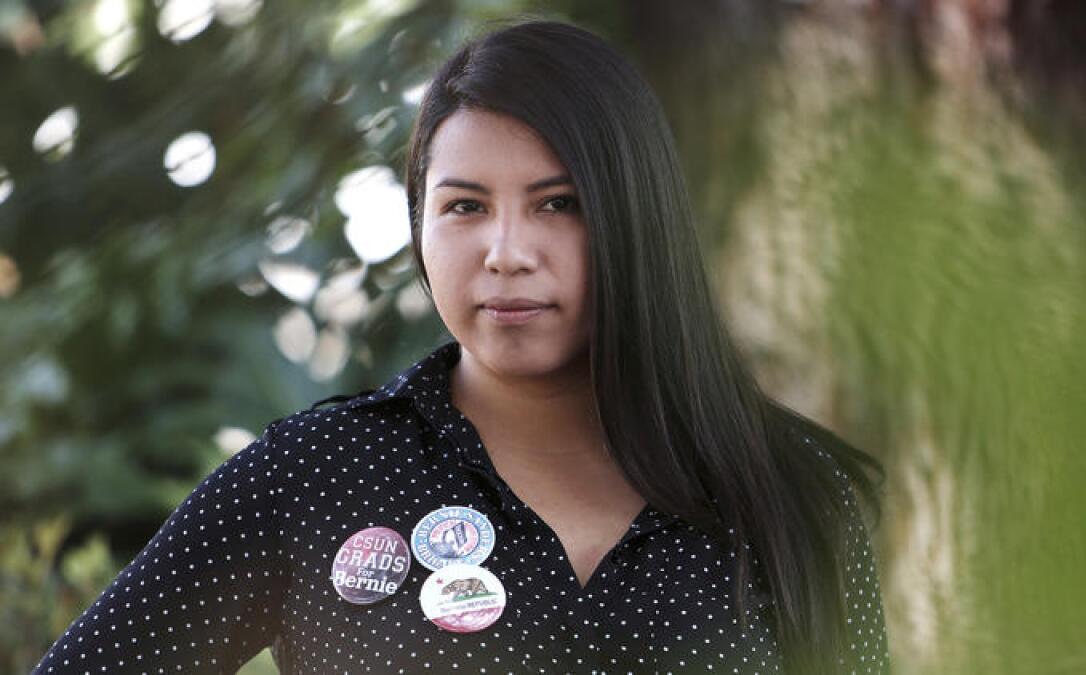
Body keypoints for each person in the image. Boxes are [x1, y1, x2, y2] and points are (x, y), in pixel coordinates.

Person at [33, 17, 889, 675]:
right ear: (420, 227)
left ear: (640, 220)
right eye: (465, 206)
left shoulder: (792, 492)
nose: (507, 251)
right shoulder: (317, 475)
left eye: (560, 203)